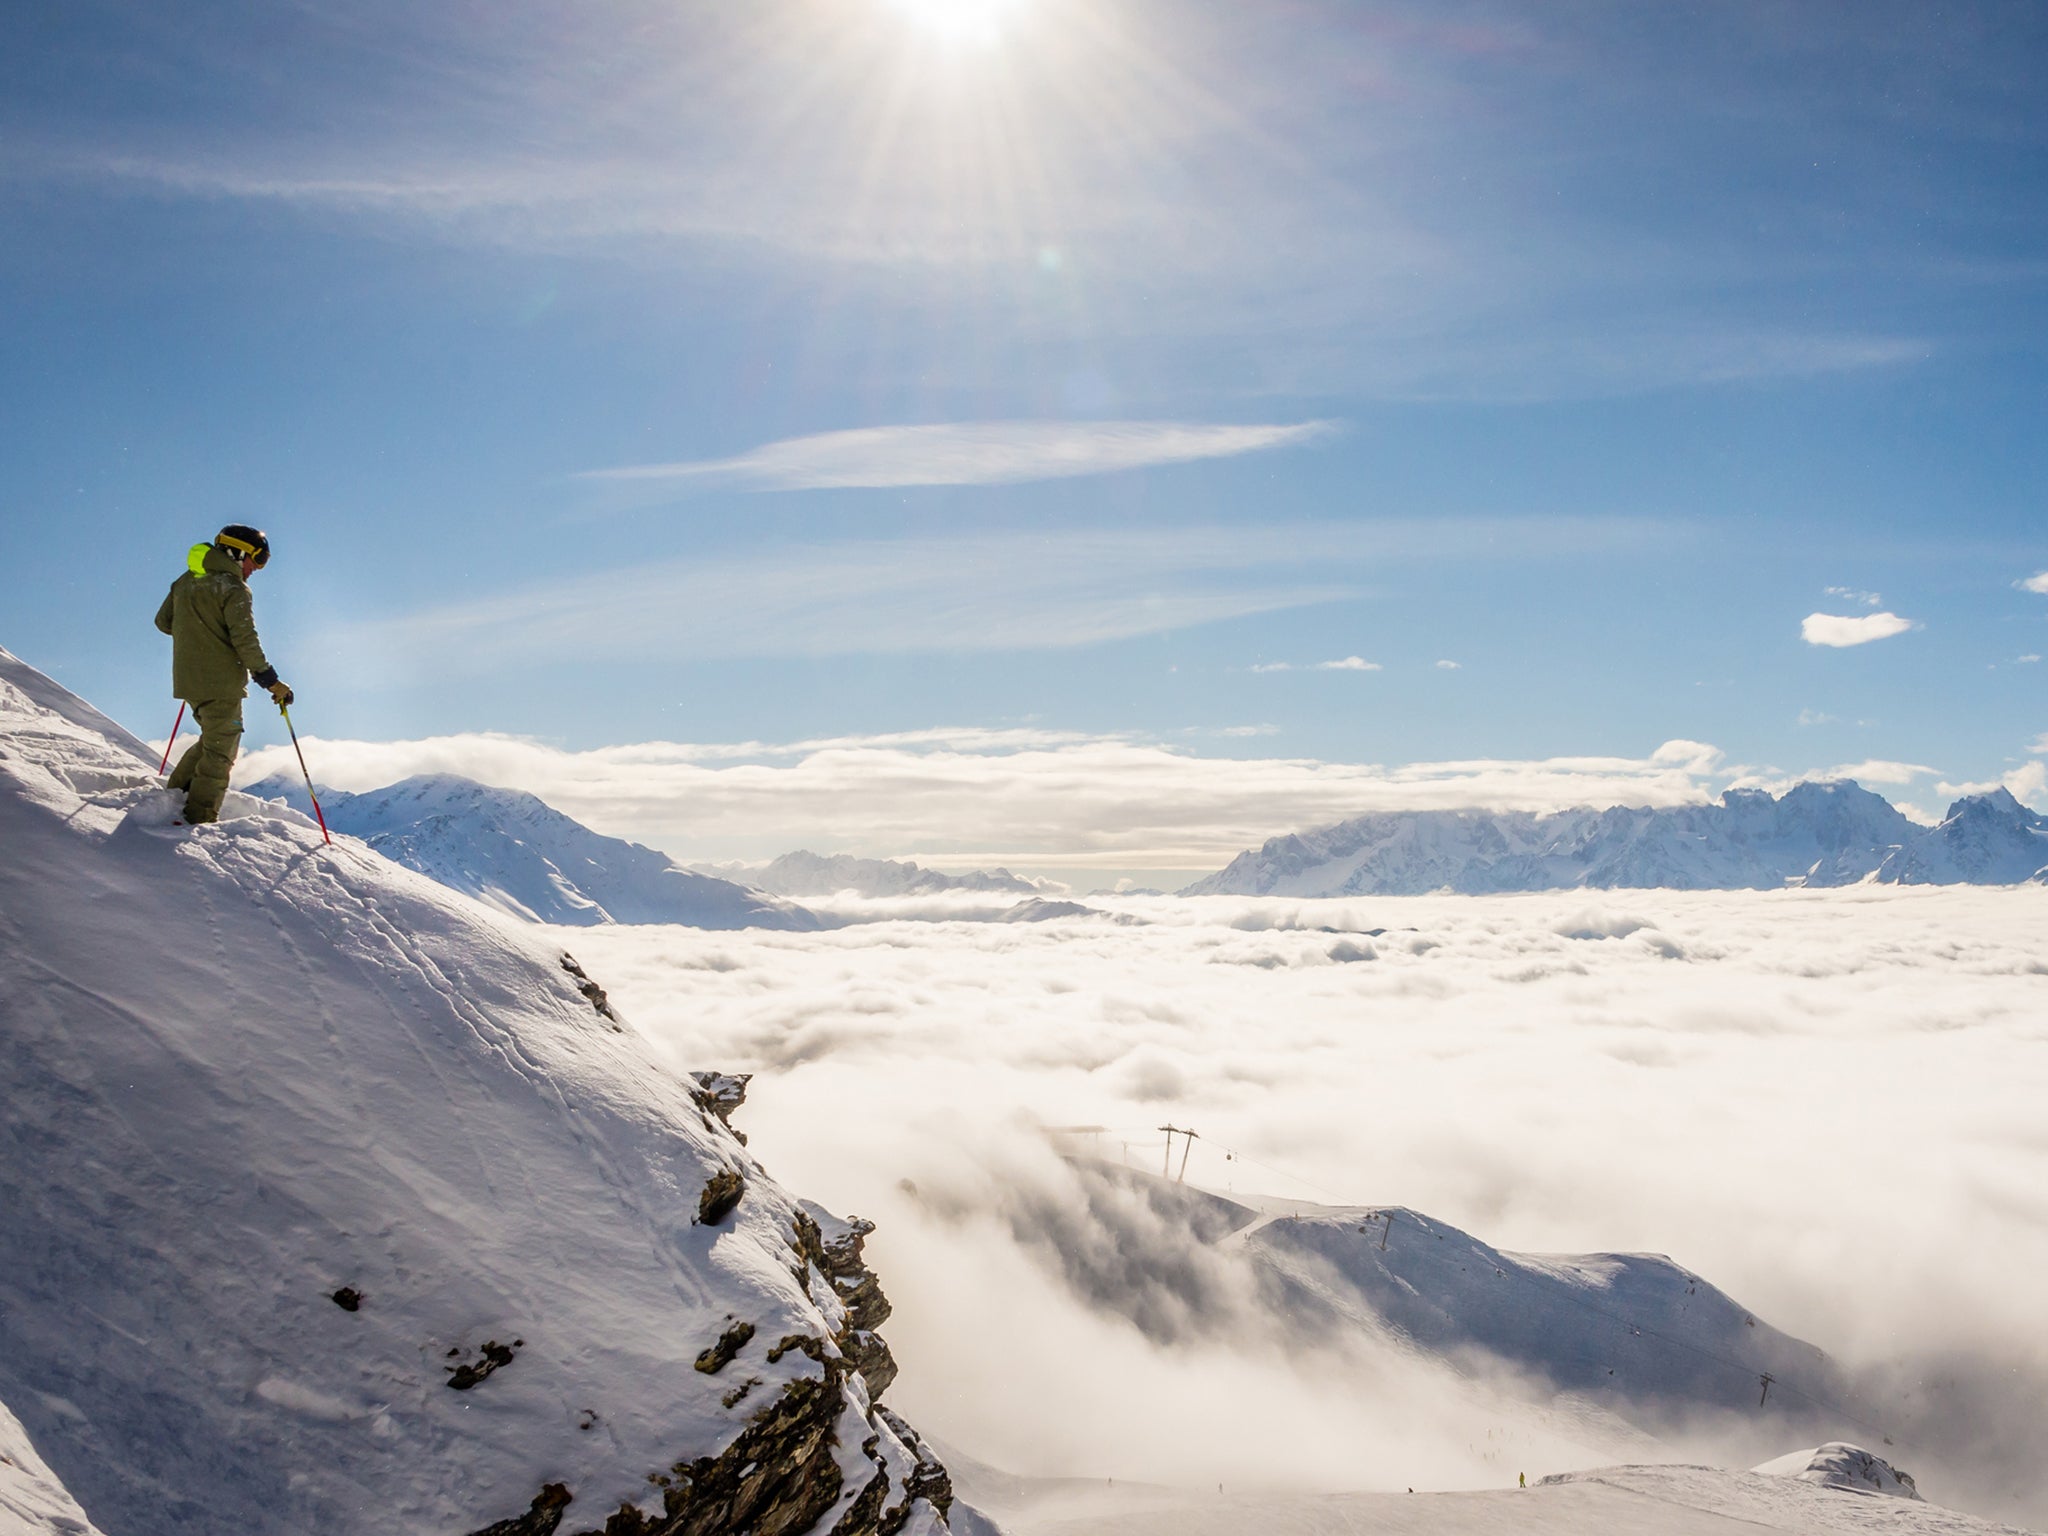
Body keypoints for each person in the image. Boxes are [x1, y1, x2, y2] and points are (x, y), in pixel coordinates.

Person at [154, 524, 293, 824]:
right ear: (236, 552)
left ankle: (171, 798)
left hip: (188, 680)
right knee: (221, 753)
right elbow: (245, 639)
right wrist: (270, 681)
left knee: (211, 739)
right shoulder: (232, 588)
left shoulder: (186, 581)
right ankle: (198, 819)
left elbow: (164, 622)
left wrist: (197, 631)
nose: (256, 568)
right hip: (221, 684)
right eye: (256, 559)